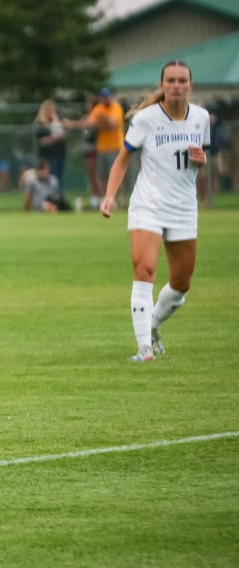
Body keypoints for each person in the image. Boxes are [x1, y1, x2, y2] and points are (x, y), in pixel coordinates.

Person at [99, 60, 209, 362]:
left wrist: (201, 160)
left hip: (183, 208)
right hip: (147, 204)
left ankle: (154, 324)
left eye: (181, 80)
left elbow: (198, 161)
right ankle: (144, 348)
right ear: (163, 85)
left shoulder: (201, 118)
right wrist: (109, 196)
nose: (176, 85)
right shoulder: (146, 119)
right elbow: (122, 159)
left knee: (181, 284)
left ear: (190, 85)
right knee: (144, 269)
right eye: (170, 80)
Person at [90, 89, 125, 208]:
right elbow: (92, 124)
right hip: (102, 148)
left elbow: (113, 124)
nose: (106, 100)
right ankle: (108, 200)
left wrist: (102, 120)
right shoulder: (98, 108)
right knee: (102, 176)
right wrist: (105, 123)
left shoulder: (116, 107)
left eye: (108, 97)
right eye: (104, 97)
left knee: (116, 175)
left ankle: (119, 199)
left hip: (116, 147)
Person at [34, 99, 67, 195]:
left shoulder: (56, 122)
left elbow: (62, 135)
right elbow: (42, 141)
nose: (53, 112)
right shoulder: (40, 124)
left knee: (59, 179)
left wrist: (56, 121)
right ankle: (48, 198)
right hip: (47, 156)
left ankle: (59, 199)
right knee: (49, 179)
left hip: (59, 154)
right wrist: (55, 138)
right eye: (51, 110)